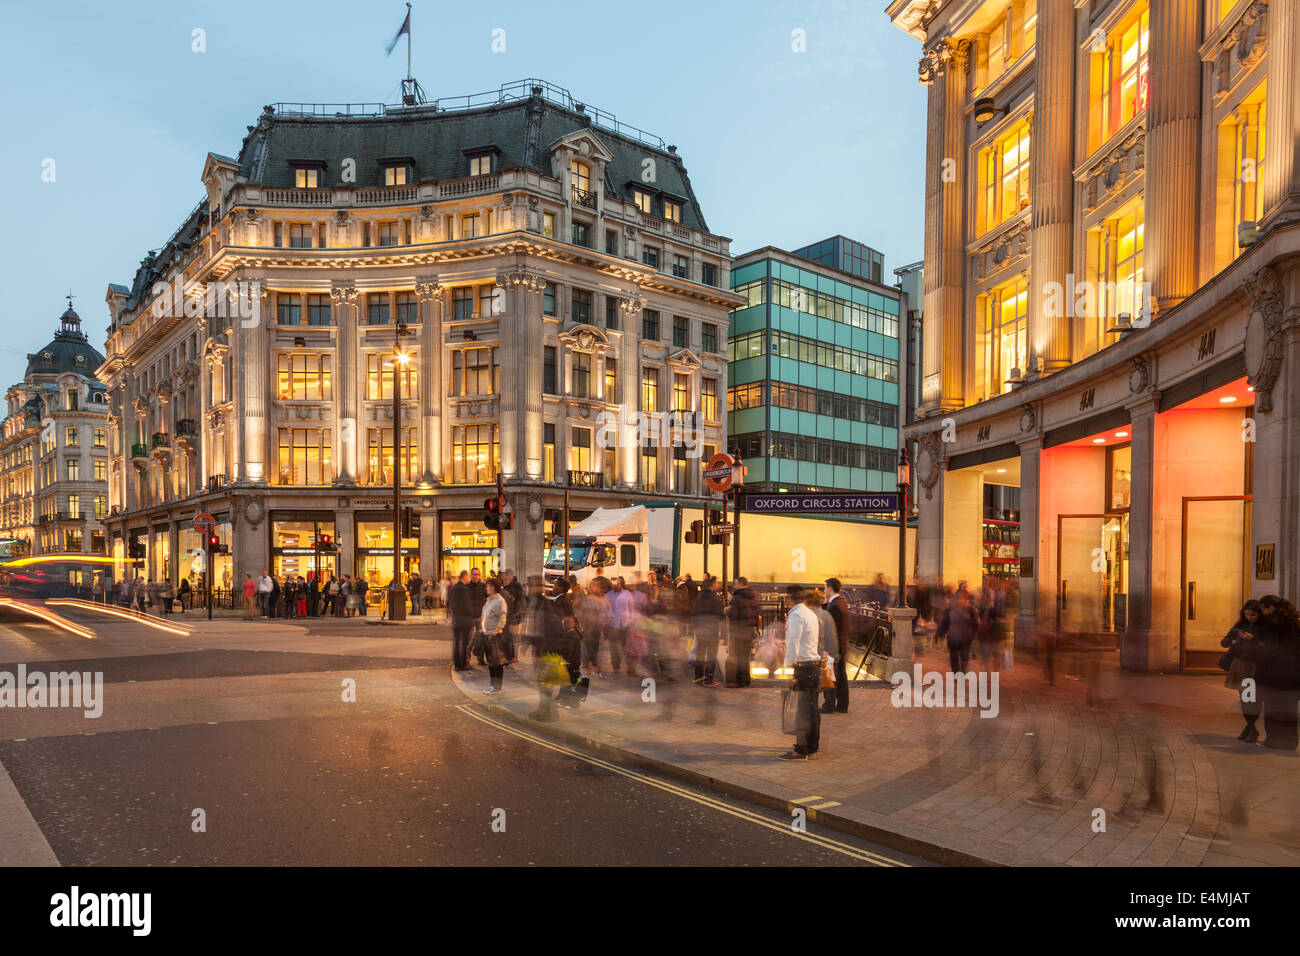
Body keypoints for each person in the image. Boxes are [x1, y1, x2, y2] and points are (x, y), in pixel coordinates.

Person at [781, 585, 823, 760]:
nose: (784, 600)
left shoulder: (797, 615)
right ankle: (812, 745)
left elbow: (793, 644)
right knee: (812, 709)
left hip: (803, 668)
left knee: (802, 711)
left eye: (785, 597)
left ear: (791, 598)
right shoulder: (810, 613)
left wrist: (789, 671)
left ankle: (801, 749)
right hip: (813, 666)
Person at [1255, 595, 1300, 750]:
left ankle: (1273, 740)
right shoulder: (1294, 623)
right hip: (1292, 674)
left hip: (1274, 674)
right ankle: (1291, 742)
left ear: (1271, 608)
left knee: (1273, 708)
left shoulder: (1271, 624)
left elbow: (1269, 649)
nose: (1262, 612)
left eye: (1263, 609)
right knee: (1289, 710)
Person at [1222, 599, 1263, 742]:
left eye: (1253, 615)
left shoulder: (1263, 627)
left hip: (1254, 665)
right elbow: (1224, 641)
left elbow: (1266, 646)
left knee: (1252, 698)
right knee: (1244, 698)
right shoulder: (1241, 624)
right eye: (1247, 614)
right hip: (1240, 663)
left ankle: (1251, 728)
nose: (1249, 617)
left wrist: (1253, 639)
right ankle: (1250, 727)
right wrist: (1233, 641)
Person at [726, 577, 760, 688]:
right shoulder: (753, 596)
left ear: (740, 584)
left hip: (739, 630)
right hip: (749, 630)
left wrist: (727, 611)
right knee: (746, 657)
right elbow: (757, 613)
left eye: (735, 584)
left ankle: (740, 681)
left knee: (739, 657)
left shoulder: (737, 598)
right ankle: (746, 680)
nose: (734, 586)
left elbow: (733, 615)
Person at [823, 577, 851, 712]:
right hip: (841, 646)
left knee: (833, 677)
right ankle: (842, 705)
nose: (824, 591)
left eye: (824, 588)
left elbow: (831, 629)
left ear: (829, 588)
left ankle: (831, 705)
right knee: (841, 677)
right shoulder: (840, 602)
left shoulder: (835, 607)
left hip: (835, 647)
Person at [937, 588, 979, 674]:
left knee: (964, 657)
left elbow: (975, 623)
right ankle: (956, 675)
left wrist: (974, 634)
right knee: (954, 658)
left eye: (962, 598)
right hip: (953, 637)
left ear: (966, 600)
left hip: (966, 638)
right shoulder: (949, 610)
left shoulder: (970, 610)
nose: (960, 600)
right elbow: (944, 623)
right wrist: (939, 634)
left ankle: (962, 673)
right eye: (958, 598)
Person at [692, 576, 724, 686]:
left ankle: (698, 677)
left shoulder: (698, 597)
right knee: (711, 656)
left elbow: (694, 613)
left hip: (700, 630)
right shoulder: (714, 599)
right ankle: (709, 679)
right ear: (712, 585)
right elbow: (720, 615)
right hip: (711, 631)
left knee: (700, 654)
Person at [479, 580, 509, 693]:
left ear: (495, 587)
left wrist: (497, 630)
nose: (487, 588)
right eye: (487, 586)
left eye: (490, 586)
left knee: (497, 662)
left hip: (495, 635)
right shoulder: (488, 600)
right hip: (487, 634)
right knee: (490, 661)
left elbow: (503, 617)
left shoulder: (500, 600)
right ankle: (492, 685)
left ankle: (497, 687)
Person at [449, 571, 476, 671]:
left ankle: (457, 663)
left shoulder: (454, 588)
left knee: (457, 643)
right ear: (465, 577)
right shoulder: (463, 589)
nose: (469, 578)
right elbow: (466, 605)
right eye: (468, 576)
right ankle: (463, 663)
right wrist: (473, 614)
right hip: (465, 620)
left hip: (457, 620)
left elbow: (451, 603)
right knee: (464, 643)